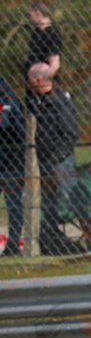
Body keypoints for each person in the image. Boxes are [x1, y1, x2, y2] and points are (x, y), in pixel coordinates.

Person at [26, 63, 91, 254]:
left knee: (73, 198)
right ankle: (51, 240)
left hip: (61, 158)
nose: (28, 84)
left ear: (40, 81)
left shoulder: (60, 101)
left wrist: (57, 156)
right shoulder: (37, 99)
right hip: (44, 159)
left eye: (31, 80)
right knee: (48, 201)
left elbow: (71, 133)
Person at [0, 75, 26, 256]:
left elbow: (5, 124)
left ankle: (14, 242)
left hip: (11, 163)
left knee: (14, 204)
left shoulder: (10, 102)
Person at [24, 1, 63, 80]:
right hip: (34, 83)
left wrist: (43, 83)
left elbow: (55, 64)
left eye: (30, 14)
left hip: (43, 83)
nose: (29, 18)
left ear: (37, 14)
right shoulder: (36, 32)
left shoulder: (52, 33)